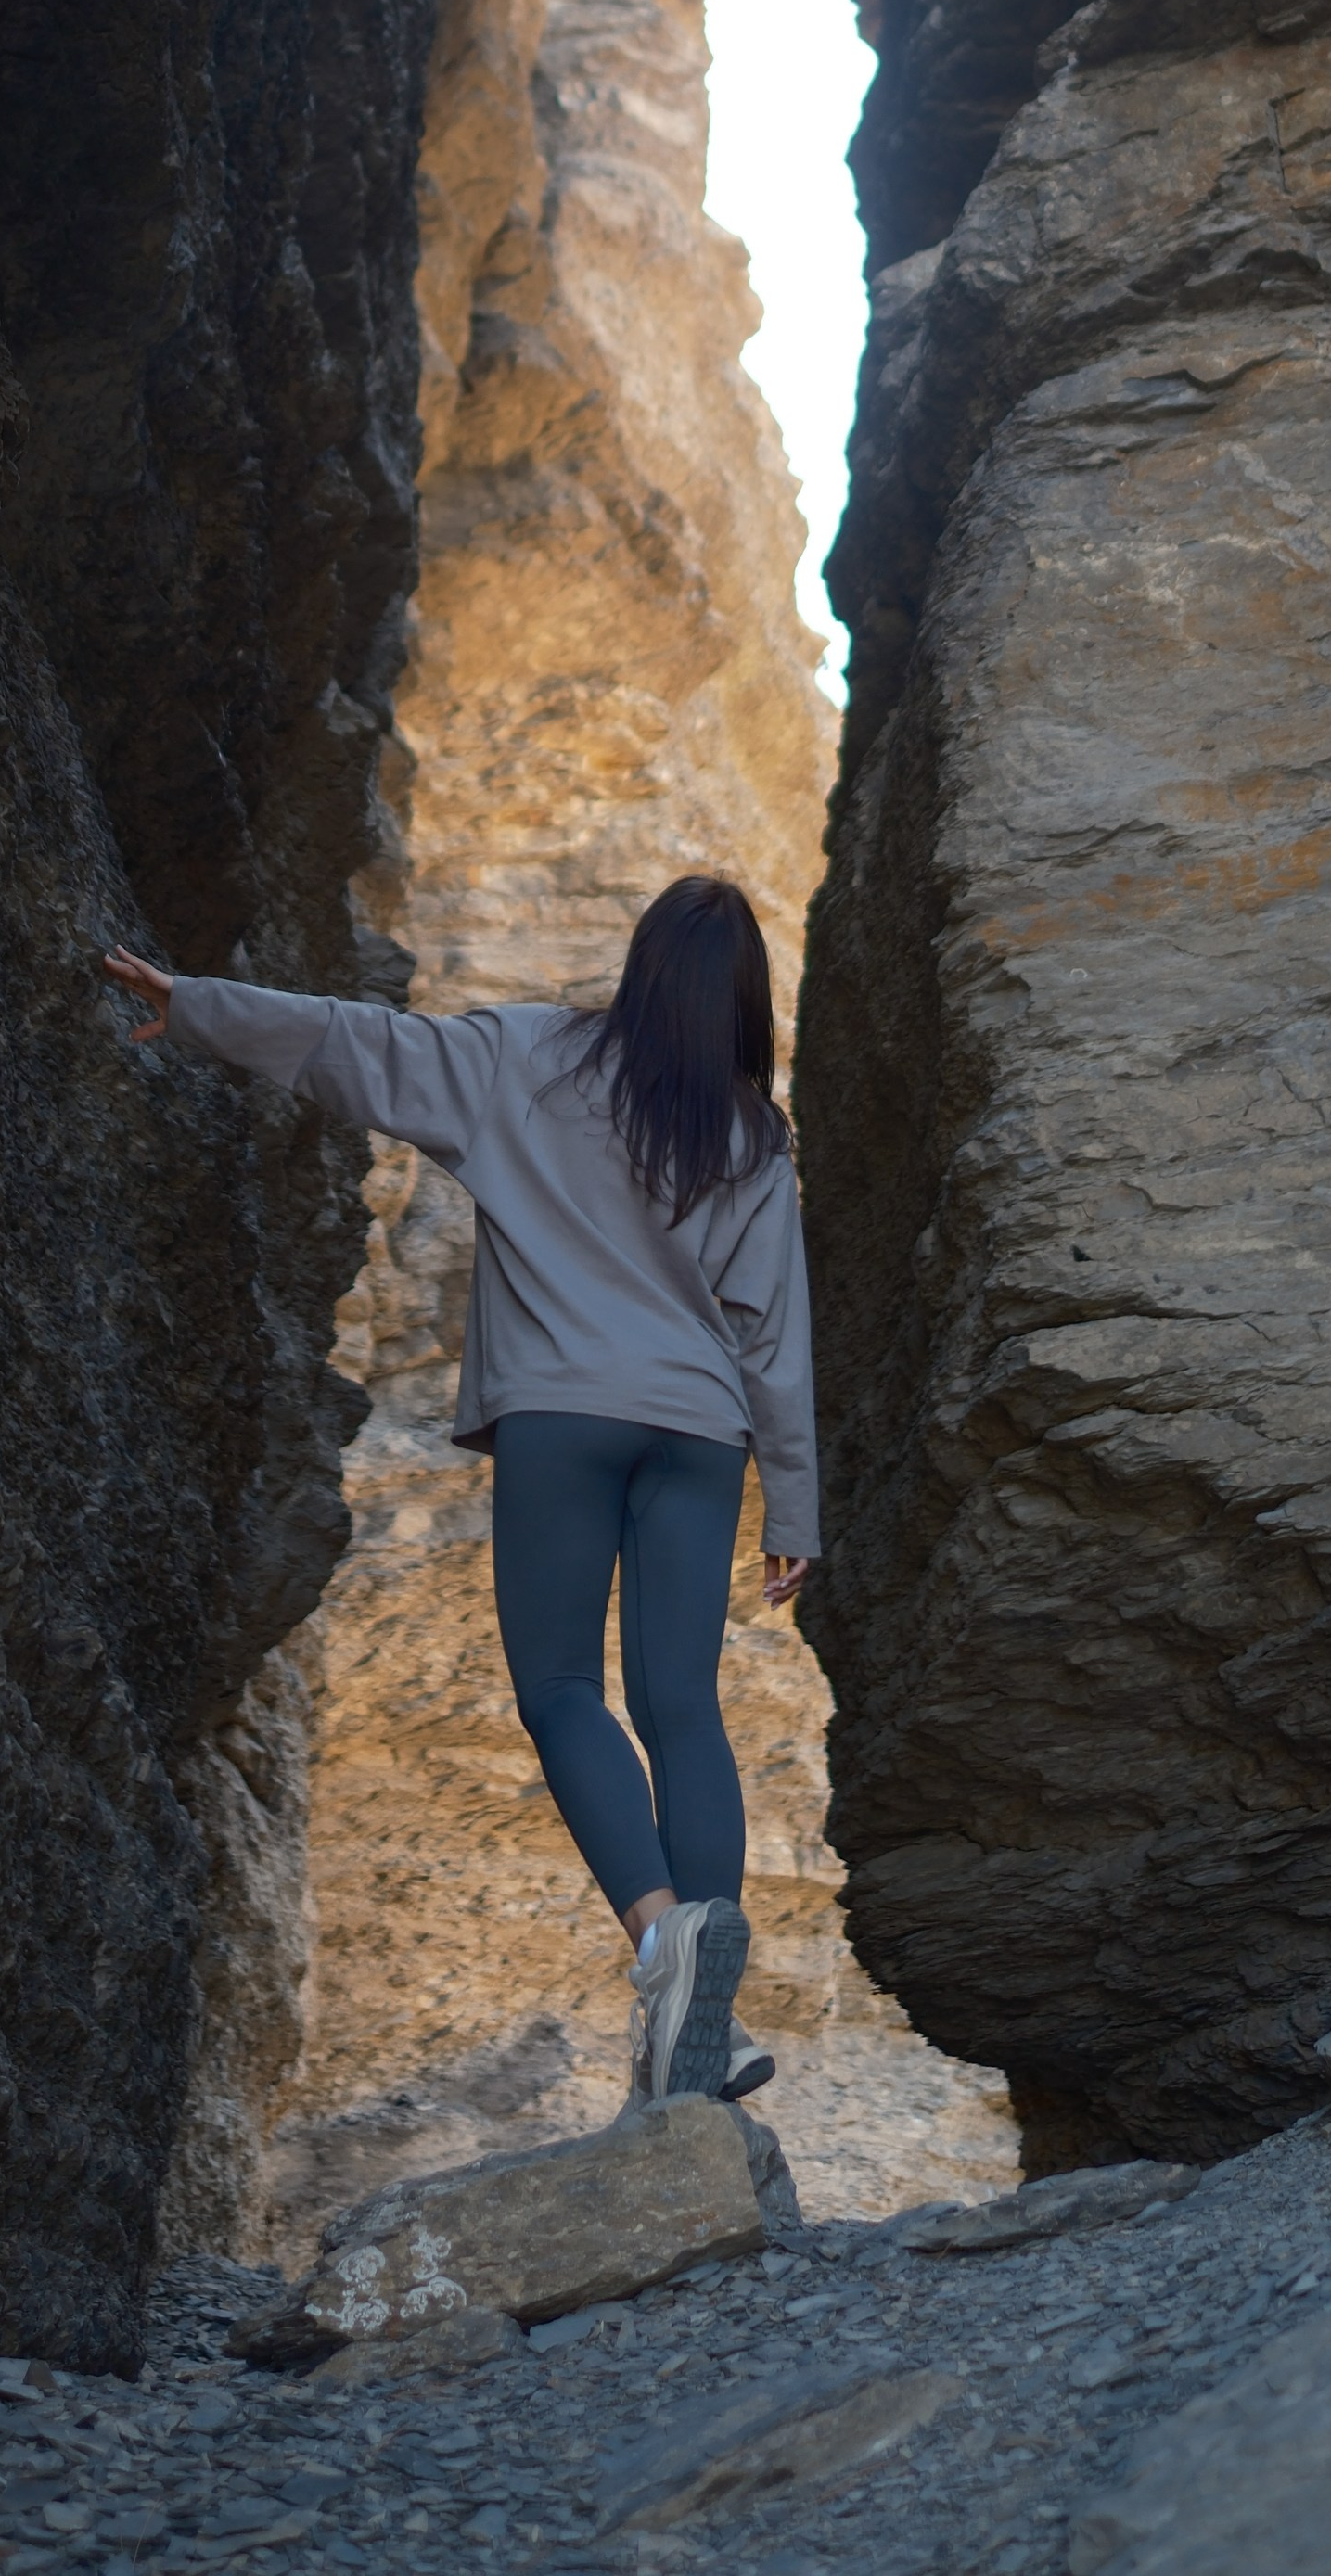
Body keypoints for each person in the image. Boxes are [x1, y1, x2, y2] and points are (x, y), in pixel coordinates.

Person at [105, 874, 818, 2113]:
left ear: (642, 968)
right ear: (742, 1003)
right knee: (681, 1708)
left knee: (556, 1691)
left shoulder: (528, 1058)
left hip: (565, 1416)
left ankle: (662, 1948)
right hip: (700, 1432)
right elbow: (777, 1339)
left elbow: (361, 1046)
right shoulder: (752, 1135)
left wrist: (201, 1009)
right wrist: (797, 1510)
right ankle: (703, 2019)